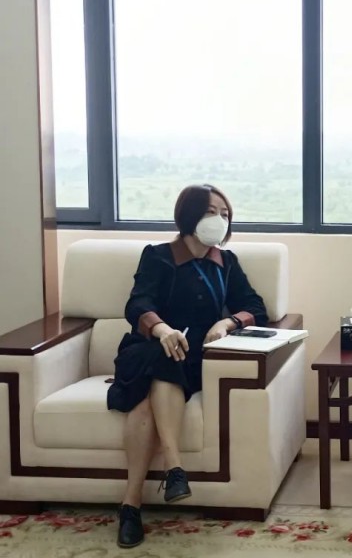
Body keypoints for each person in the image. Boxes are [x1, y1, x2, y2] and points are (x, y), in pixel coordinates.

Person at [108, 184, 268, 549]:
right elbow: (137, 304)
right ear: (189, 215)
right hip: (148, 349)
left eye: (225, 214)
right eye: (211, 212)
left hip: (194, 358)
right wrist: (162, 329)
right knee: (164, 357)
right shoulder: (158, 256)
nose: (219, 220)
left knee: (146, 402)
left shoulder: (226, 263)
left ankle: (130, 507)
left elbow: (256, 308)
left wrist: (227, 322)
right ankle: (174, 468)